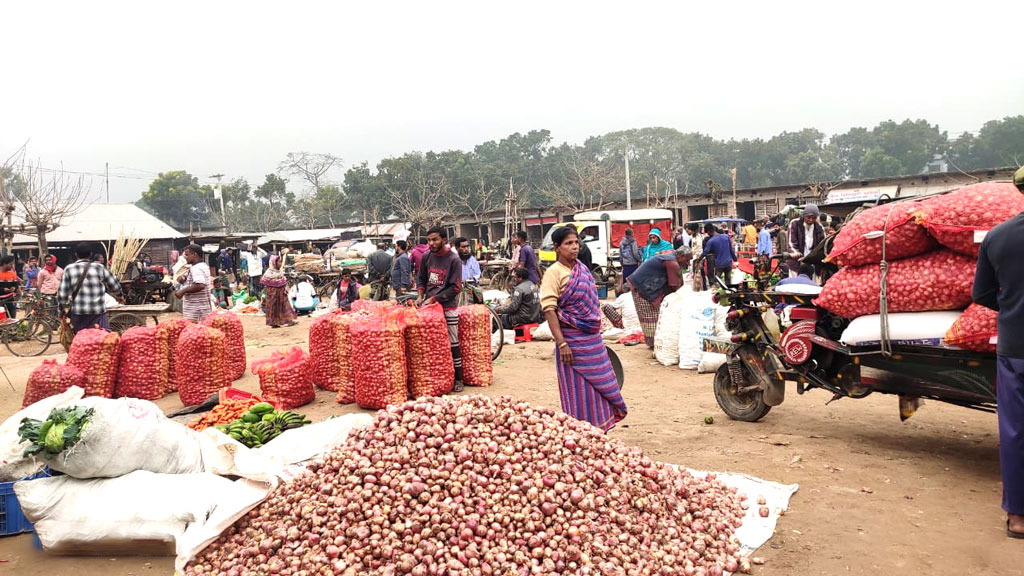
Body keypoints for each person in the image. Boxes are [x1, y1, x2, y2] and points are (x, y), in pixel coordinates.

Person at [973, 164, 1024, 539]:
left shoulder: (998, 237)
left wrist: (1011, 307)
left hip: (1016, 346)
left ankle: (1018, 516)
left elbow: (981, 295)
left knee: (1015, 431)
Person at [540, 226, 627, 432]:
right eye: (568, 243)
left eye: (576, 242)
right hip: (571, 342)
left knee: (602, 386)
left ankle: (601, 429)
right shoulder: (553, 273)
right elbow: (549, 310)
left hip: (592, 341)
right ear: (557, 248)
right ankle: (581, 433)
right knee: (578, 390)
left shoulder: (583, 269)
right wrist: (562, 343)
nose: (574, 247)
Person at [416, 226, 464, 392]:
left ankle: (458, 378)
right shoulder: (427, 256)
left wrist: (434, 299)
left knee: (452, 341)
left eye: (435, 239)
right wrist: (421, 296)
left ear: (444, 239)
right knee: (430, 343)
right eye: (429, 240)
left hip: (447, 305)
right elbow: (421, 278)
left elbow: (455, 288)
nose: (431, 243)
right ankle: (435, 378)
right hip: (429, 307)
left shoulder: (454, 260)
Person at [625, 246, 693, 348]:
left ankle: (655, 344)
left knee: (656, 315)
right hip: (642, 287)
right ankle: (654, 345)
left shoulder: (672, 256)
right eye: (687, 260)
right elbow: (675, 288)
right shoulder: (672, 263)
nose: (688, 263)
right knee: (653, 317)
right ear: (681, 256)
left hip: (645, 284)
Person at [57, 244, 122, 333]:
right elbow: (115, 286)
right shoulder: (100, 267)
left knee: (81, 339)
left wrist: (61, 310)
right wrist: (119, 296)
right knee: (102, 338)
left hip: (78, 312)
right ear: (91, 254)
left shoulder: (69, 269)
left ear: (76, 255)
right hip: (98, 311)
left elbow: (62, 294)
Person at [175, 244, 214, 323]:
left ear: (195, 255)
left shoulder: (196, 268)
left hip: (196, 311)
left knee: (195, 332)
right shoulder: (202, 266)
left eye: (187, 255)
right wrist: (184, 279)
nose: (185, 257)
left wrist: (182, 291)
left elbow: (200, 285)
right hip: (201, 309)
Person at [787, 204, 825, 276]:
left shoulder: (819, 227)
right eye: (808, 217)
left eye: (814, 218)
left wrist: (815, 259)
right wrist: (796, 254)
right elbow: (791, 243)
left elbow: (822, 245)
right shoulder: (795, 223)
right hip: (796, 264)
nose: (811, 220)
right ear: (804, 215)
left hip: (812, 265)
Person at [260, 254, 297, 328]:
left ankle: (288, 320)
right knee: (274, 308)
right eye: (278, 262)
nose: (280, 264)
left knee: (285, 306)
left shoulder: (280, 272)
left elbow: (283, 282)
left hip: (282, 294)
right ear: (273, 263)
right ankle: (274, 323)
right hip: (273, 295)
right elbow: (266, 285)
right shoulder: (268, 274)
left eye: (280, 262)